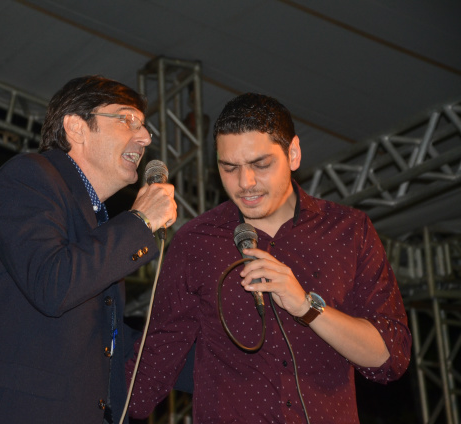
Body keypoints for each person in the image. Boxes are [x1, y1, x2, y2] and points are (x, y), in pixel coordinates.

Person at [126, 93, 411, 423]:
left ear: (293, 154)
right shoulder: (196, 242)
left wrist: (306, 306)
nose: (245, 183)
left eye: (260, 165)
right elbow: (153, 367)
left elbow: (390, 358)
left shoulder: (349, 231)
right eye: (229, 168)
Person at [0, 75, 177, 424]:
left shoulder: (98, 226)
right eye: (127, 120)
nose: (145, 137)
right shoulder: (28, 177)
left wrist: (220, 360)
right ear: (76, 127)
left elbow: (109, 341)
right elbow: (53, 282)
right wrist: (139, 221)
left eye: (144, 125)